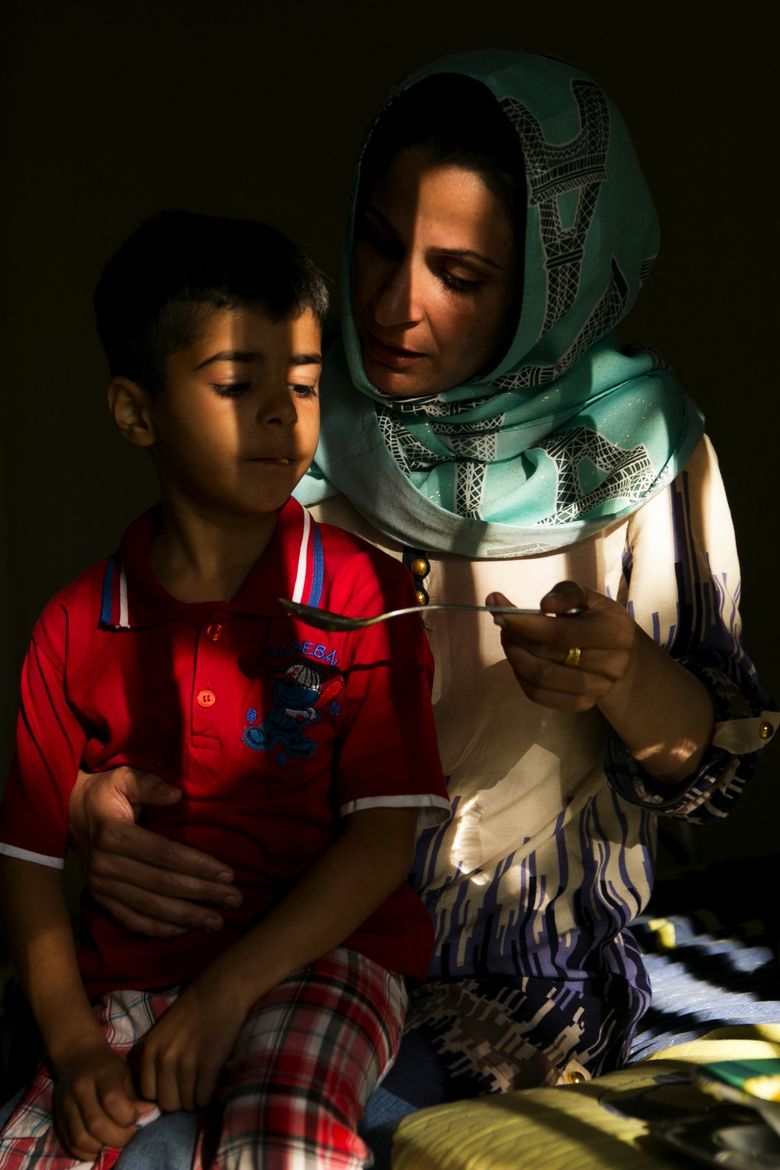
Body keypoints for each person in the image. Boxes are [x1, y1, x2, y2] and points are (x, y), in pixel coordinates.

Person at [63, 49, 776, 1162]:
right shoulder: (288, 414)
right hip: (256, 927)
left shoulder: (640, 460)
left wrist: (628, 678)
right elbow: (146, 679)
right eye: (381, 244)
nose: (398, 305)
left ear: (553, 278)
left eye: (464, 274)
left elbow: (708, 767)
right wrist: (91, 807)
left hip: (496, 987)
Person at [0, 209, 449, 1169]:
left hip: (328, 964)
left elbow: (381, 842)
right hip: (131, 983)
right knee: (40, 1149)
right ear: (135, 412)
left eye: (303, 385)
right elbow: (30, 862)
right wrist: (76, 1047)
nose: (284, 415)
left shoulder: (361, 598)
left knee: (280, 1140)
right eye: (240, 386)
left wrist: (223, 994)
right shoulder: (77, 625)